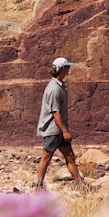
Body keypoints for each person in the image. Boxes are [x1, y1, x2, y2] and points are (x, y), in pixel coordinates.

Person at [35, 57, 91, 192]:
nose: (69, 69)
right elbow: (55, 113)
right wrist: (65, 131)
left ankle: (80, 184)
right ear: (62, 69)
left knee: (70, 156)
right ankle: (39, 186)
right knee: (46, 157)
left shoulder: (60, 86)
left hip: (59, 130)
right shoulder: (54, 89)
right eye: (67, 67)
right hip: (53, 130)